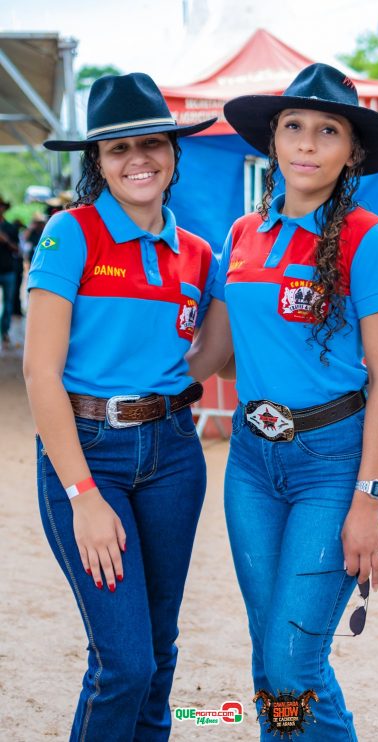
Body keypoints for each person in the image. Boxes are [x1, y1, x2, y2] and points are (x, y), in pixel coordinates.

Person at [187, 63, 378, 740]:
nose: (306, 144)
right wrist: (123, 371)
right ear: (273, 141)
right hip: (251, 466)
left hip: (331, 466)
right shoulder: (241, 237)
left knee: (291, 659)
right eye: (293, 127)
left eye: (326, 130)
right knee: (273, 657)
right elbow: (212, 357)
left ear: (351, 151)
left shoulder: (369, 240)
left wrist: (367, 500)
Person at [23, 72, 217, 741]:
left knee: (159, 655)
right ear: (97, 163)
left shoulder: (196, 254)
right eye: (117, 148)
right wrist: (81, 493)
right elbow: (39, 373)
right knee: (124, 663)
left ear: (173, 151)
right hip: (88, 455)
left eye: (152, 143)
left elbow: (213, 354)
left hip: (173, 455)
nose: (139, 158)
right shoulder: (68, 234)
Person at [0, 196, 19, 346]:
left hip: (7, 270)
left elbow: (18, 250)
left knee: (8, 303)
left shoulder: (10, 228)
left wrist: (5, 240)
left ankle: (4, 330)